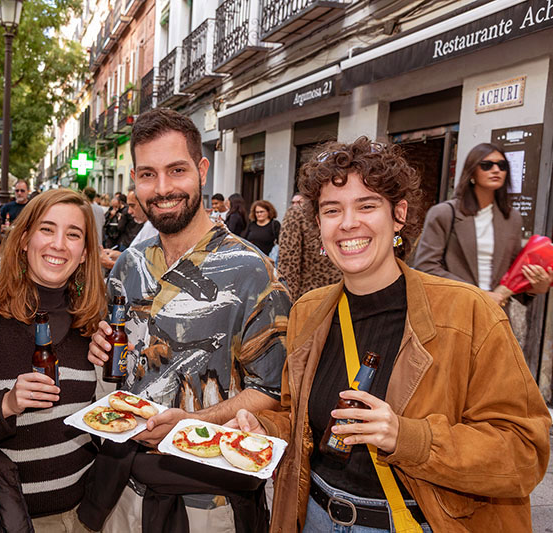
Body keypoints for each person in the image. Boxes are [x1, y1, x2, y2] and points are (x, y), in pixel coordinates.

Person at [231, 137, 551, 532]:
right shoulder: (308, 311)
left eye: (367, 206)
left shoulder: (469, 313)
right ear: (319, 224)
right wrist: (266, 429)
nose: (348, 223)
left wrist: (407, 437)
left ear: (398, 214)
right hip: (315, 516)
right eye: (332, 210)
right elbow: (300, 419)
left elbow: (524, 451)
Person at [81, 108, 290, 533]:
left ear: (202, 170)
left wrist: (195, 422)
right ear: (134, 180)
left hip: (208, 501)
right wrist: (100, 344)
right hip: (124, 492)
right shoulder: (127, 266)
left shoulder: (253, 271)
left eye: (177, 170)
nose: (162, 189)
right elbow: (120, 359)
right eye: (148, 174)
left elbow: (274, 392)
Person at [0, 189, 106, 532]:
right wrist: (5, 405)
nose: (59, 244)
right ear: (24, 240)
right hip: (3, 519)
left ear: (85, 252)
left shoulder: (91, 326)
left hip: (83, 518)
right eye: (47, 229)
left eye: (73, 235)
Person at [413, 143, 553, 307]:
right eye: (487, 165)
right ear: (472, 172)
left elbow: (511, 273)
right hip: (454, 309)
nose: (496, 170)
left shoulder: (512, 218)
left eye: (502, 165)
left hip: (496, 312)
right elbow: (426, 267)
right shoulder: (444, 213)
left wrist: (535, 287)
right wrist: (478, 294)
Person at [278, 194, 342, 301]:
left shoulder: (349, 214)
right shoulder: (297, 215)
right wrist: (289, 304)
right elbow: (289, 264)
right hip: (310, 299)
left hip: (344, 298)